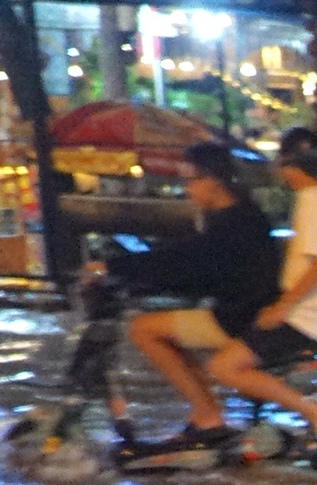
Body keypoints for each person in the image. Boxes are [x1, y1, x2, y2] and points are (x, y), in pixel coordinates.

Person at [100, 141, 279, 459]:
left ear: (213, 181)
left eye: (191, 181)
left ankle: (208, 416)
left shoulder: (231, 223)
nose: (187, 189)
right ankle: (205, 413)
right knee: (164, 328)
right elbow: (193, 264)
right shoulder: (243, 216)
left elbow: (187, 261)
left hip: (239, 315)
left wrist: (114, 267)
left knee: (142, 329)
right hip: (241, 307)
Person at [204, 126, 317, 459]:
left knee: (224, 367)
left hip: (309, 320)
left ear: (288, 164)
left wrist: (282, 307)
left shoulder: (311, 201)